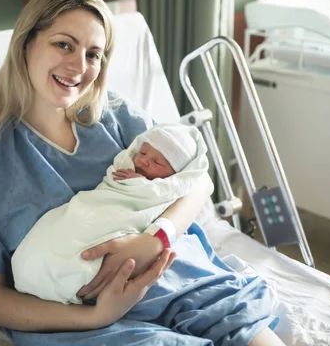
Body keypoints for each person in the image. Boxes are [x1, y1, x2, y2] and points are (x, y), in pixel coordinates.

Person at [0, 0, 285, 345]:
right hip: (86, 323)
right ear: (27, 43)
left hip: (177, 276)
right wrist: (97, 315)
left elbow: (198, 180)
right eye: (63, 44)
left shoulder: (115, 115)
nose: (78, 66)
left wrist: (155, 239)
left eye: (93, 54)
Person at [12, 124, 212, 304]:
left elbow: (199, 183)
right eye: (142, 152)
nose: (144, 161)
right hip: (92, 211)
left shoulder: (123, 116)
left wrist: (155, 238)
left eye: (157, 162)